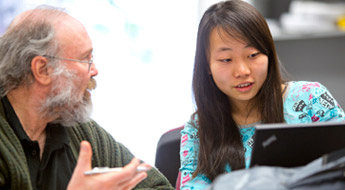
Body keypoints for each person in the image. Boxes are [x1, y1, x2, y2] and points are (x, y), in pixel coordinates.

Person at [0, 5, 174, 190]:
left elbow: (159, 186)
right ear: (42, 70)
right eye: (85, 59)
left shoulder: (77, 128)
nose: (95, 70)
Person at [179, 0, 345, 190]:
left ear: (268, 54)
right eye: (226, 59)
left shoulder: (311, 99)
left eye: (253, 55)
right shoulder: (198, 129)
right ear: (207, 66)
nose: (242, 70)